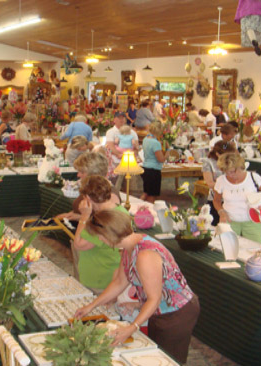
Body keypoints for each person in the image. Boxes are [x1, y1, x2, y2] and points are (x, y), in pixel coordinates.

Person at [74, 209, 199, 364]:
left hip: (176, 312)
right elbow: (119, 282)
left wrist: (132, 327)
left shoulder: (145, 254)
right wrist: (91, 306)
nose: (99, 240)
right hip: (159, 309)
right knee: (155, 355)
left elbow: (154, 298)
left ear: (108, 235)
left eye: (99, 236)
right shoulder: (129, 247)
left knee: (169, 360)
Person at [72, 175, 128, 294]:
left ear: (87, 198)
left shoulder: (101, 220)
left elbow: (79, 245)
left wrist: (84, 216)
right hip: (114, 272)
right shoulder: (121, 211)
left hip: (99, 278)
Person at [213, 152, 261, 243]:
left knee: (254, 251)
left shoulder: (254, 177)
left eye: (232, 171)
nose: (230, 175)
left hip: (253, 222)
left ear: (240, 167)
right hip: (229, 221)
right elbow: (216, 201)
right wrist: (221, 212)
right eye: (226, 172)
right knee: (228, 251)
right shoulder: (221, 181)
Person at [202, 140, 237, 225]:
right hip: (215, 200)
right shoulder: (208, 163)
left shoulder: (232, 162)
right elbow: (210, 183)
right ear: (217, 154)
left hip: (231, 200)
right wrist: (227, 185)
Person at [140, 122, 169, 203]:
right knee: (151, 196)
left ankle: (137, 206)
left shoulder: (145, 139)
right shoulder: (155, 143)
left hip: (146, 167)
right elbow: (161, 159)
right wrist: (167, 151)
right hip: (153, 170)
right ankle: (148, 212)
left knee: (146, 192)